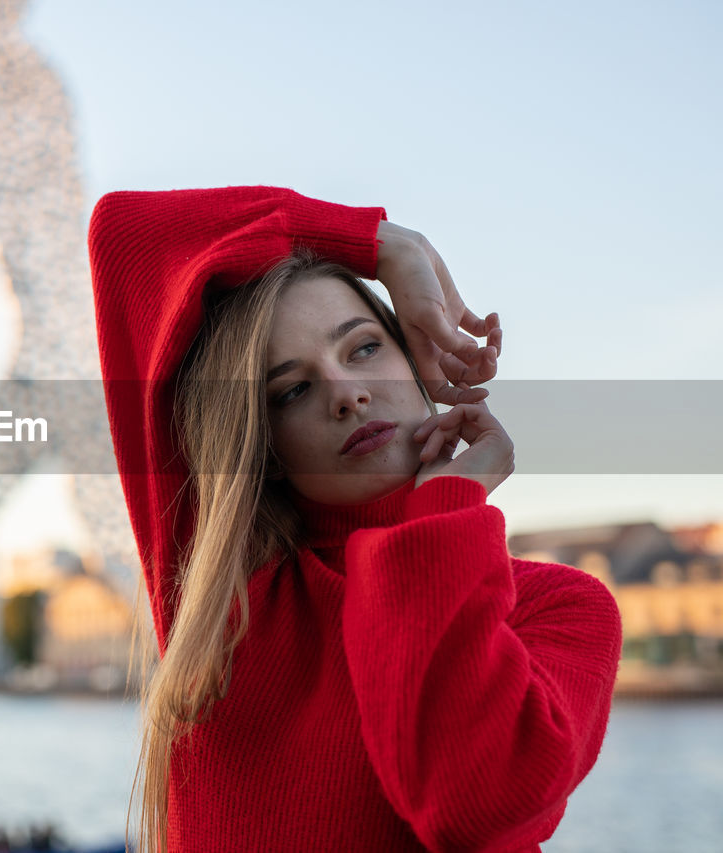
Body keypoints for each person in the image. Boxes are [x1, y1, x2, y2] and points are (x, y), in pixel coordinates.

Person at [86, 186, 623, 852]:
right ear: (268, 446)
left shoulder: (561, 610)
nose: (346, 392)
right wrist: (385, 246)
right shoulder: (226, 601)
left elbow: (469, 804)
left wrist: (442, 513)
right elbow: (126, 238)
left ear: (418, 361)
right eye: (294, 389)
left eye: (364, 348)